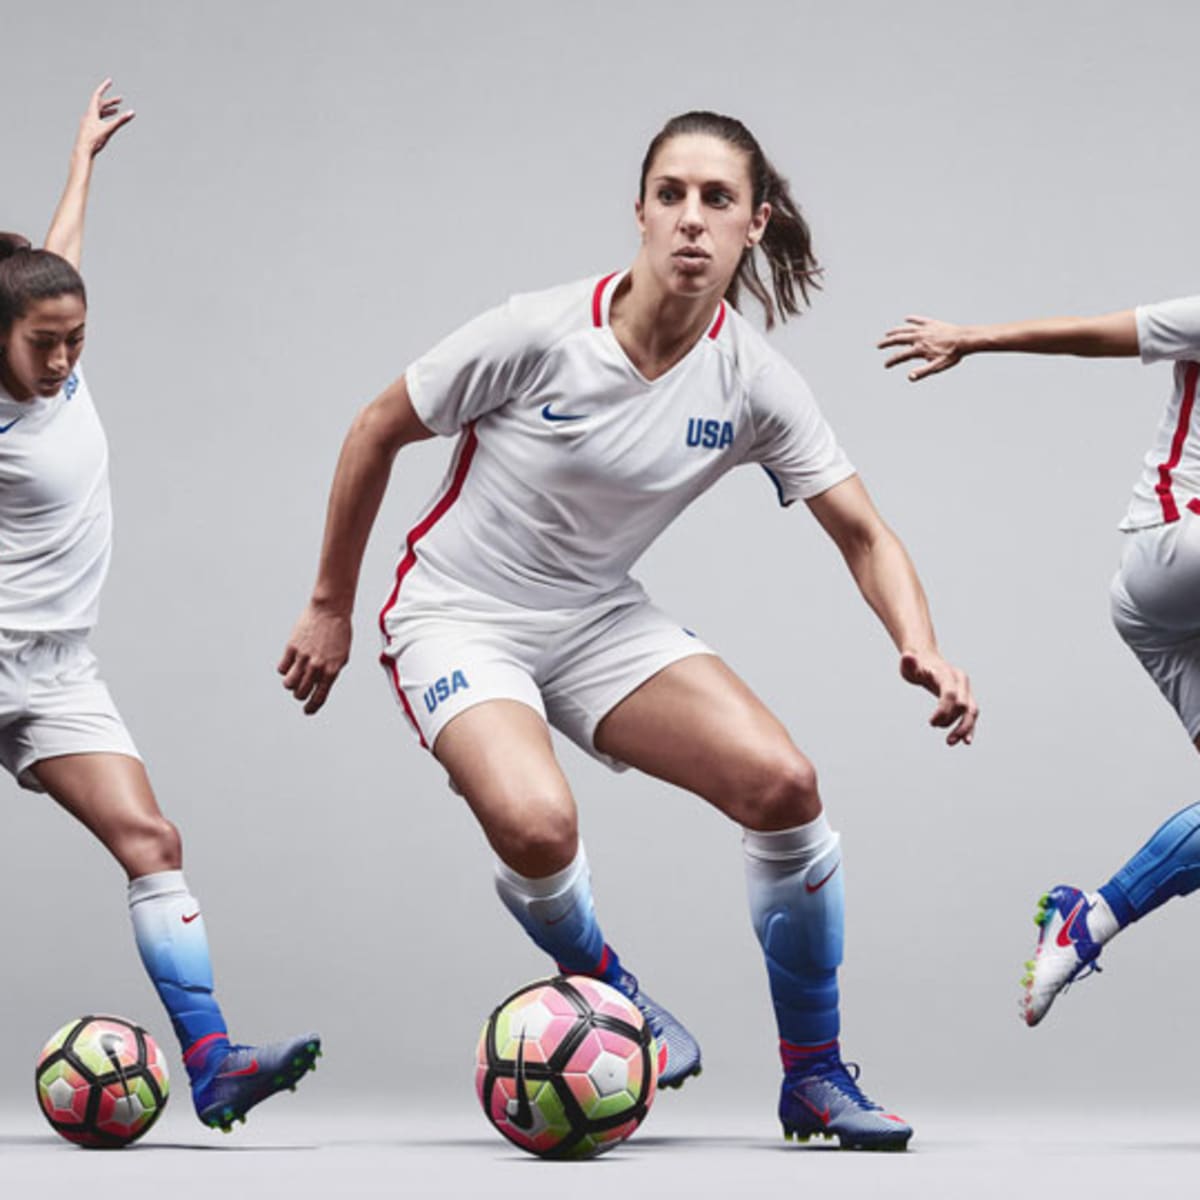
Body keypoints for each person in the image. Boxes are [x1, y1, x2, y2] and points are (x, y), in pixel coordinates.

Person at [283, 110, 977, 1151]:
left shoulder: (753, 383)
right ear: (641, 212)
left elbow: (865, 533)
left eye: (717, 200)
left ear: (755, 224)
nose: (691, 219)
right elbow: (375, 428)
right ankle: (617, 995)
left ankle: (816, 1076)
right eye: (672, 195)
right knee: (538, 827)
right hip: (458, 614)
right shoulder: (537, 331)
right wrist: (331, 603)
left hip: (597, 616)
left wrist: (918, 639)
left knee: (786, 788)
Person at [1, 82, 320, 1131]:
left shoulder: (54, 356)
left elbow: (57, 256)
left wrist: (83, 160)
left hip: (56, 674)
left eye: (77, 338)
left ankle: (215, 1063)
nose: (62, 360)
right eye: (43, 343)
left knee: (154, 842)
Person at [879, 300, 1200, 1027]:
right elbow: (1104, 334)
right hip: (1174, 547)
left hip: (1162, 620)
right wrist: (972, 335)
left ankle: (1085, 921)